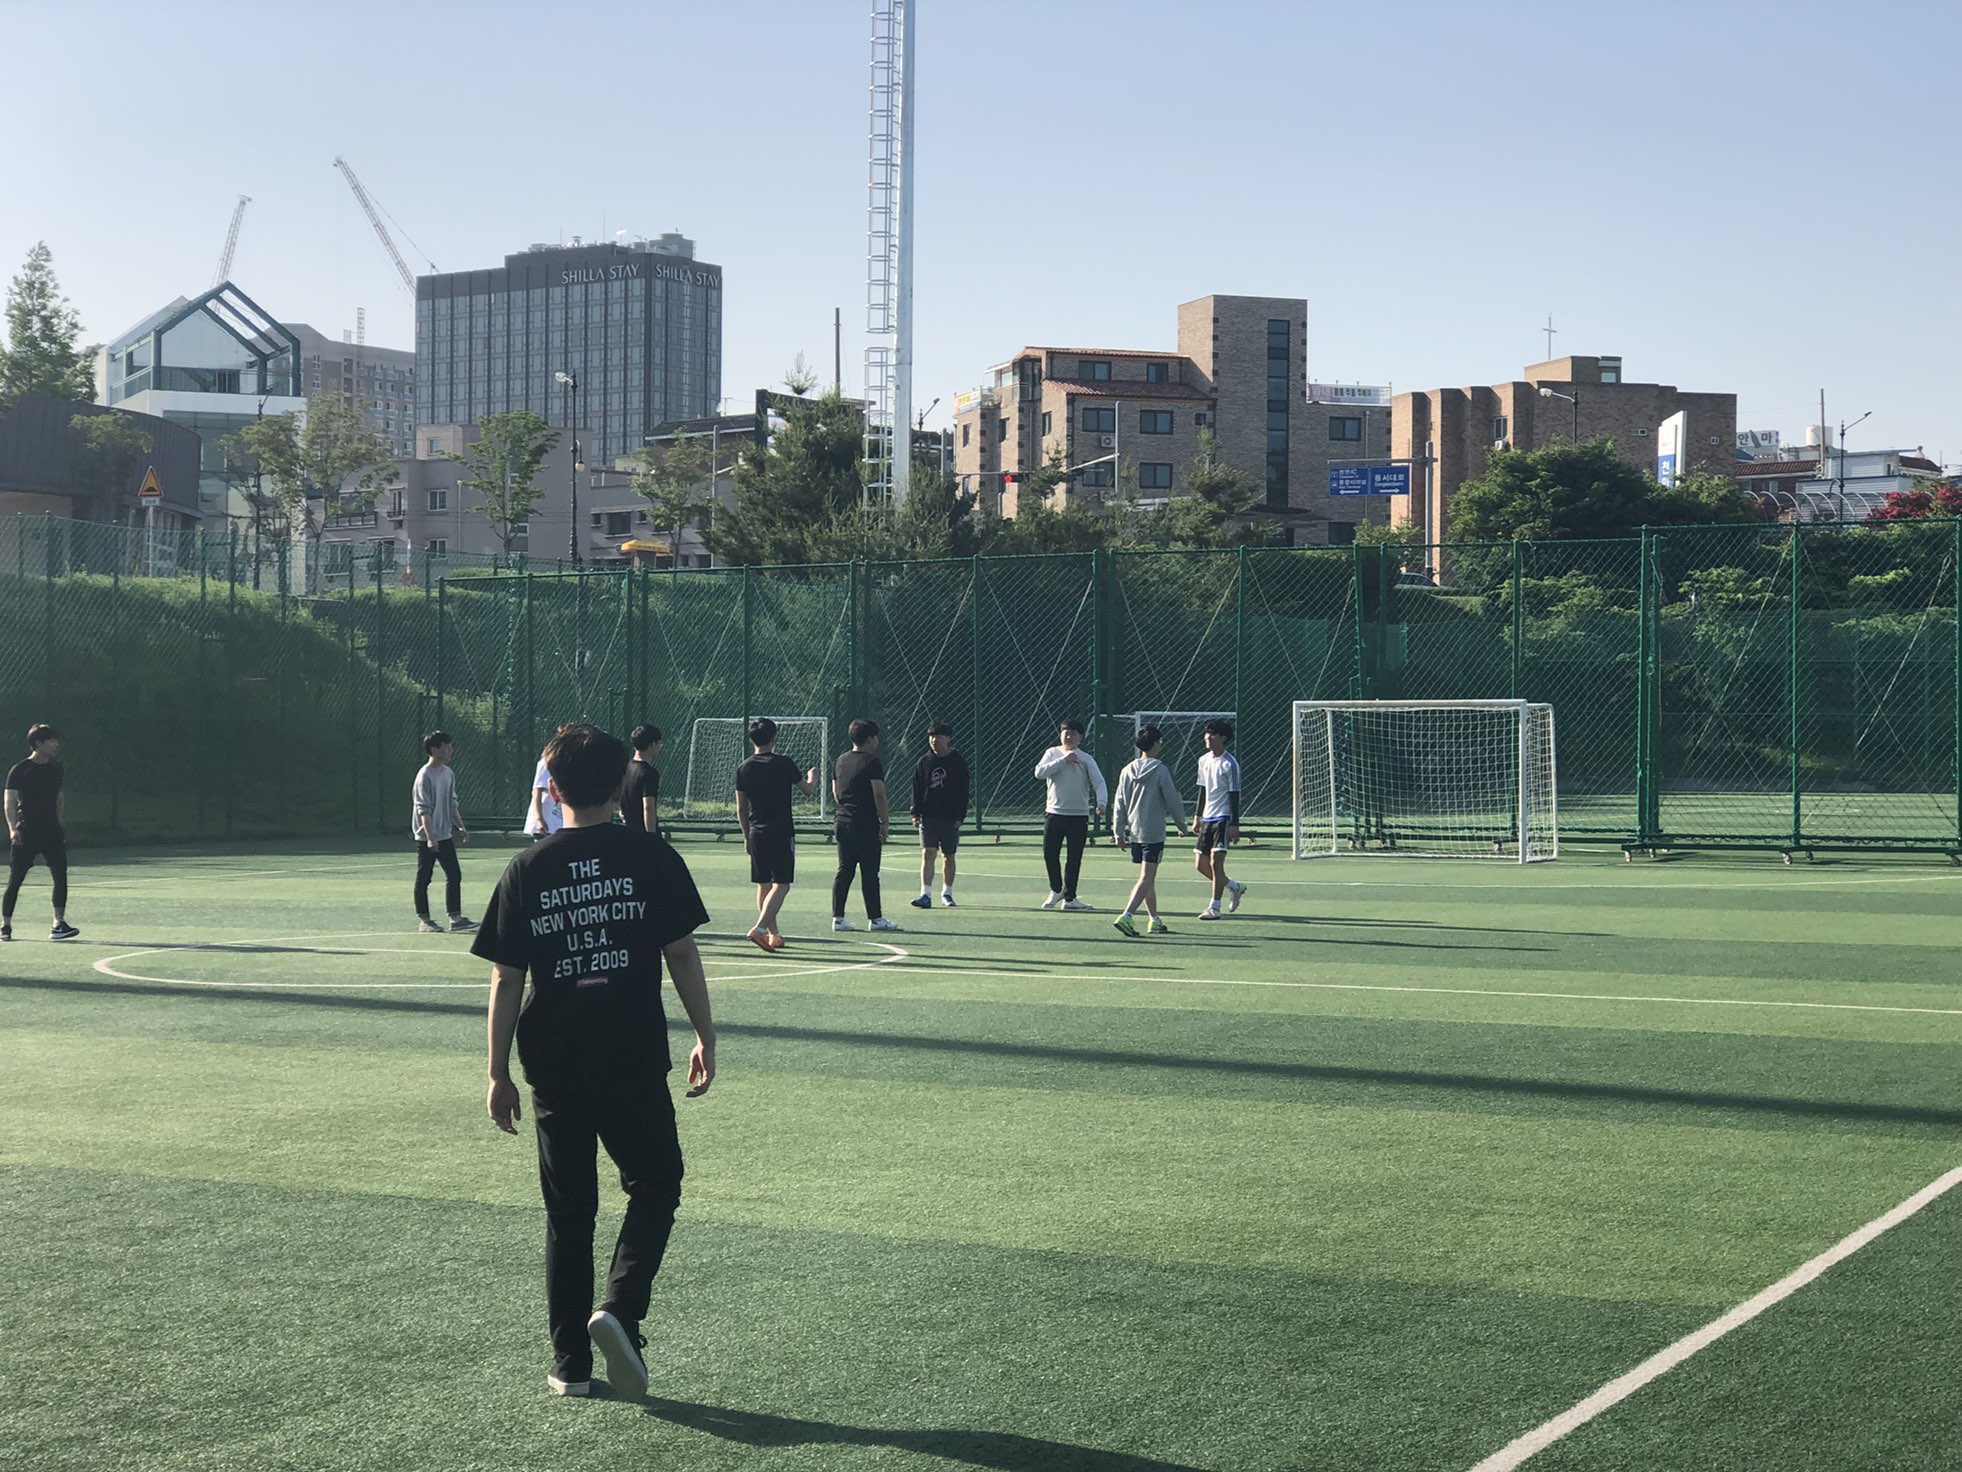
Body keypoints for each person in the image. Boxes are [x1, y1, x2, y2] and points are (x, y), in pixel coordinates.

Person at [475, 723, 716, 1401]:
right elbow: (681, 952)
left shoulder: (527, 868)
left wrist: (496, 1072)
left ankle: (570, 1366)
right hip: (630, 1047)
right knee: (656, 1181)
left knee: (569, 1211)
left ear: (552, 791)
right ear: (619, 787)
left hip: (554, 1057)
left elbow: (507, 977)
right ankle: (621, 1308)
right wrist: (706, 1034)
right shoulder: (651, 855)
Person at [734, 717, 817, 951]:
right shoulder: (783, 763)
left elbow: (741, 808)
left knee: (763, 885)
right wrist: (814, 776)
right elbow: (808, 790)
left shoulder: (744, 767)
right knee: (782, 884)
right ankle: (760, 929)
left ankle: (773, 935)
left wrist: (746, 835)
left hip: (756, 831)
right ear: (773, 738)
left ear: (751, 740)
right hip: (780, 831)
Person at [1109, 724, 1188, 937]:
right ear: (1154, 744)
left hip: (1135, 832)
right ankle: (1127, 916)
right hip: (1153, 833)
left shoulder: (1127, 770)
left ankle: (1154, 919)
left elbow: (1119, 803)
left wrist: (1118, 832)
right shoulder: (1161, 770)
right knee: (1146, 877)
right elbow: (1173, 800)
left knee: (1147, 878)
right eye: (1159, 742)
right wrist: (1182, 825)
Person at [3, 724, 77, 942]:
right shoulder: (20, 770)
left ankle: (58, 924)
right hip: (26, 832)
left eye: (56, 740)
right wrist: (12, 829)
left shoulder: (55, 769)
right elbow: (9, 801)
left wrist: (59, 824)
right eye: (51, 741)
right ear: (38, 743)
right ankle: (5, 926)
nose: (56, 744)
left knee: (60, 876)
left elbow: (59, 798)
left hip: (51, 832)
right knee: (15, 879)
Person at [831, 718, 899, 933]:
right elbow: (879, 794)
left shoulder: (841, 760)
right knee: (869, 872)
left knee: (845, 870)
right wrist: (884, 821)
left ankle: (838, 918)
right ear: (869, 739)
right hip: (865, 822)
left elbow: (836, 793)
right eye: (875, 737)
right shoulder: (872, 762)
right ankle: (876, 919)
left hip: (842, 821)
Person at [1033, 718, 1107, 911]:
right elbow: (1039, 773)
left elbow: (1099, 782)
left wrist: (1102, 802)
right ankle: (1056, 889)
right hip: (1054, 813)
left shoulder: (1086, 759)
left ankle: (1070, 898)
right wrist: (1064, 760)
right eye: (1066, 732)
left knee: (1074, 857)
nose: (1068, 736)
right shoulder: (1052, 753)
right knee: (1050, 853)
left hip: (1078, 816)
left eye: (1073, 733)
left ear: (1080, 738)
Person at [412, 730, 476, 934]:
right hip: (427, 837)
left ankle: (455, 919)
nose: (450, 751)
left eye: (450, 747)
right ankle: (424, 920)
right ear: (434, 749)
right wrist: (430, 838)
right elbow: (423, 810)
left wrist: (460, 826)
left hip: (445, 835)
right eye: (446, 747)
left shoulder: (448, 774)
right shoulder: (424, 776)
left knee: (454, 875)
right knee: (424, 878)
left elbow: (451, 804)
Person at [908, 720, 970, 909]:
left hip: (949, 816)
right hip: (928, 816)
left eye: (938, 737)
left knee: (948, 855)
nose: (934, 740)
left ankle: (947, 893)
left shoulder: (957, 762)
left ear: (948, 739)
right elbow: (917, 788)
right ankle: (925, 894)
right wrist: (915, 812)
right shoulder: (924, 762)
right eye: (931, 737)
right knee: (928, 853)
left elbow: (963, 791)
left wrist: (960, 816)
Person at [1194, 718, 1249, 920]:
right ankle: (1234, 887)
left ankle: (1214, 907)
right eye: (1206, 734)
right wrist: (1197, 817)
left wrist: (1234, 824)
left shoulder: (1230, 764)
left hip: (1223, 816)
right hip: (1207, 817)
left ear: (1223, 738)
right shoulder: (1203, 760)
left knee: (1216, 862)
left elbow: (1235, 794)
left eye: (1212, 734)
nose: (1207, 737)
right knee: (1200, 864)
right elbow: (1202, 789)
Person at [525, 727, 569, 840]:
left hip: (560, 821)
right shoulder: (545, 764)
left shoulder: (567, 763)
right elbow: (537, 793)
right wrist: (539, 819)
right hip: (547, 821)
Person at [620, 724, 663, 836]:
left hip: (629, 832)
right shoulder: (649, 773)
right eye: (659, 743)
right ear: (652, 745)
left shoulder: (626, 767)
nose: (660, 746)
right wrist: (651, 837)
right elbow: (648, 807)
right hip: (643, 834)